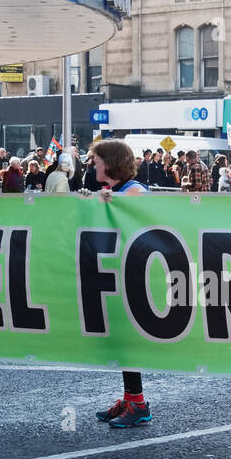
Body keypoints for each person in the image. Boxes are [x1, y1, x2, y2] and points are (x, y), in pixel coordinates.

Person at [82, 139, 153, 430]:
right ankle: (132, 398)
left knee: (129, 339)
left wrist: (100, 201)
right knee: (123, 339)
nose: (92, 165)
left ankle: (137, 404)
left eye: (96, 161)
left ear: (110, 163)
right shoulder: (115, 191)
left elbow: (130, 206)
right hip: (120, 272)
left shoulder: (133, 191)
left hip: (137, 274)